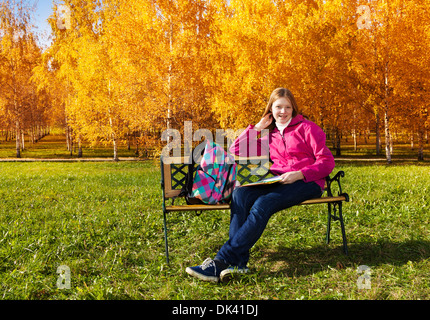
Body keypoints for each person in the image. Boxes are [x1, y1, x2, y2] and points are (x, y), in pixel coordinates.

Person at [185, 88, 335, 283]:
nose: (283, 112)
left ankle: (223, 260)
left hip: (308, 182)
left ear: (293, 108)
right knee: (240, 194)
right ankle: (239, 264)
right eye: (278, 107)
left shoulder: (308, 128)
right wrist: (256, 128)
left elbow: (327, 162)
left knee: (263, 204)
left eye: (287, 107)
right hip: (279, 180)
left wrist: (299, 174)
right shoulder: (269, 135)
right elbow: (236, 148)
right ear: (270, 109)